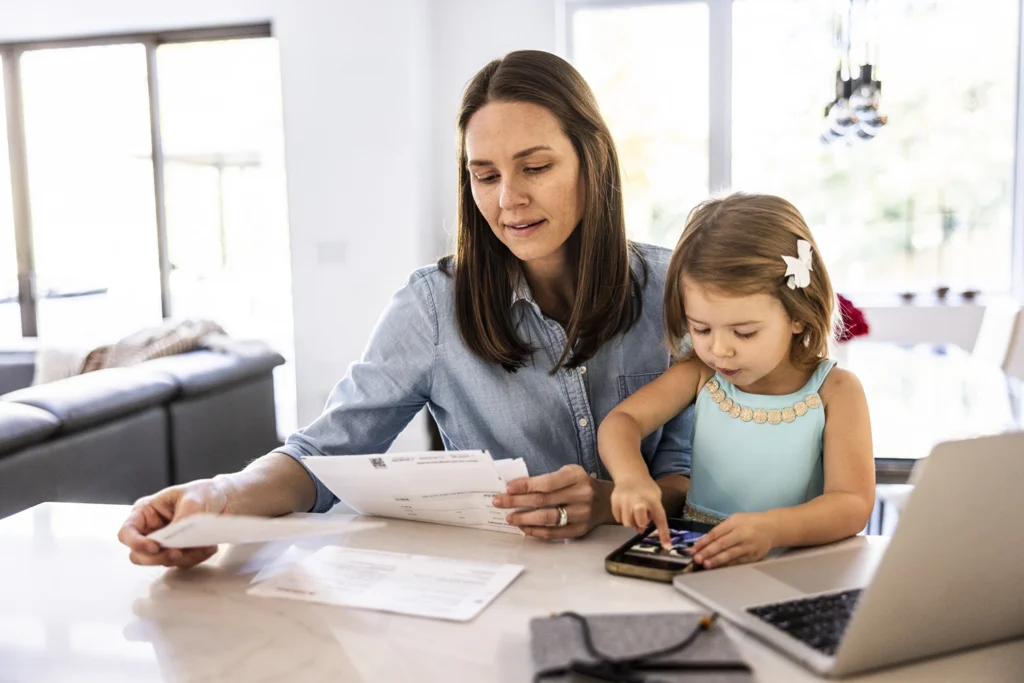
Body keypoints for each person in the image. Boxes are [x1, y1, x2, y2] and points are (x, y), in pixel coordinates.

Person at [118, 50, 694, 569]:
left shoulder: (674, 287)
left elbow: (694, 470)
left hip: (649, 572)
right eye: (484, 175)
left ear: (592, 159)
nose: (507, 199)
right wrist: (220, 496)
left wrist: (609, 499)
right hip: (502, 584)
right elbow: (322, 453)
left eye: (536, 167)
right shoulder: (433, 305)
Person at [597, 193, 875, 569]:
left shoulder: (835, 392)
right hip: (702, 561)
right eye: (701, 329)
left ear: (798, 317)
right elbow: (621, 423)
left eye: (743, 332)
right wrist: (631, 478)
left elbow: (852, 504)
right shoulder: (700, 374)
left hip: (795, 568)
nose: (719, 350)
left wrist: (773, 529)